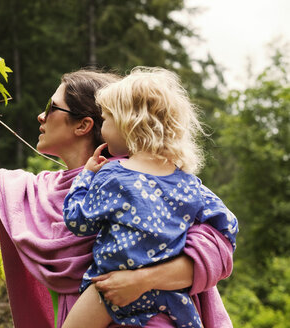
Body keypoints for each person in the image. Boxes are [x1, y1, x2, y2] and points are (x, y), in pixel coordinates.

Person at [0, 68, 235, 328]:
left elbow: (215, 254)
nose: (41, 115)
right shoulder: (43, 189)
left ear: (84, 125)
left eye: (52, 107)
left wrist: (139, 280)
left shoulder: (147, 184)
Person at [62, 67, 238, 328]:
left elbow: (77, 221)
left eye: (107, 119)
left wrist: (85, 176)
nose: (104, 128)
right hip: (170, 294)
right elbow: (227, 224)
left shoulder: (113, 175)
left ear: (128, 123)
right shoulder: (190, 184)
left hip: (109, 287)